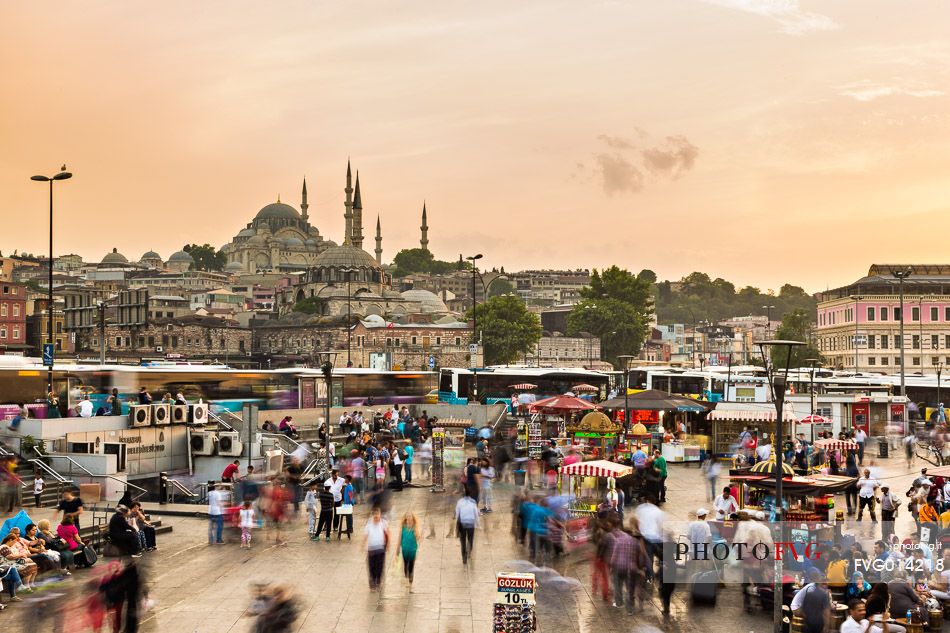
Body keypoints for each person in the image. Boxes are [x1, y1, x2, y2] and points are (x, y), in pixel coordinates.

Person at [364, 507, 389, 591]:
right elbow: (366, 536)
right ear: (373, 515)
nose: (376, 516)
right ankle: (372, 583)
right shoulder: (369, 524)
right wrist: (363, 545)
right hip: (371, 549)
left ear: (380, 514)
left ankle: (378, 582)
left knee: (380, 567)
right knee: (372, 567)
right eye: (375, 514)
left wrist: (388, 544)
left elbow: (388, 533)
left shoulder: (383, 523)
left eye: (378, 514)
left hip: (380, 548)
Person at [396, 511, 420, 589]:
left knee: (411, 566)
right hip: (405, 549)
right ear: (405, 518)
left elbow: (418, 538)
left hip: (412, 550)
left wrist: (417, 534)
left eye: (410, 516)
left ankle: (410, 583)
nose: (409, 518)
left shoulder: (415, 527)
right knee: (406, 565)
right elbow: (400, 538)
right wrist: (397, 548)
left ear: (412, 518)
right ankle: (407, 578)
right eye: (407, 516)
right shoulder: (402, 527)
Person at [455, 493, 480, 564]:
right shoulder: (473, 502)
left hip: (462, 524)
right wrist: (477, 524)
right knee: (470, 539)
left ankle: (464, 557)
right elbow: (476, 514)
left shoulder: (460, 502)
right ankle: (469, 550)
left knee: (463, 542)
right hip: (470, 523)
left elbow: (457, 513)